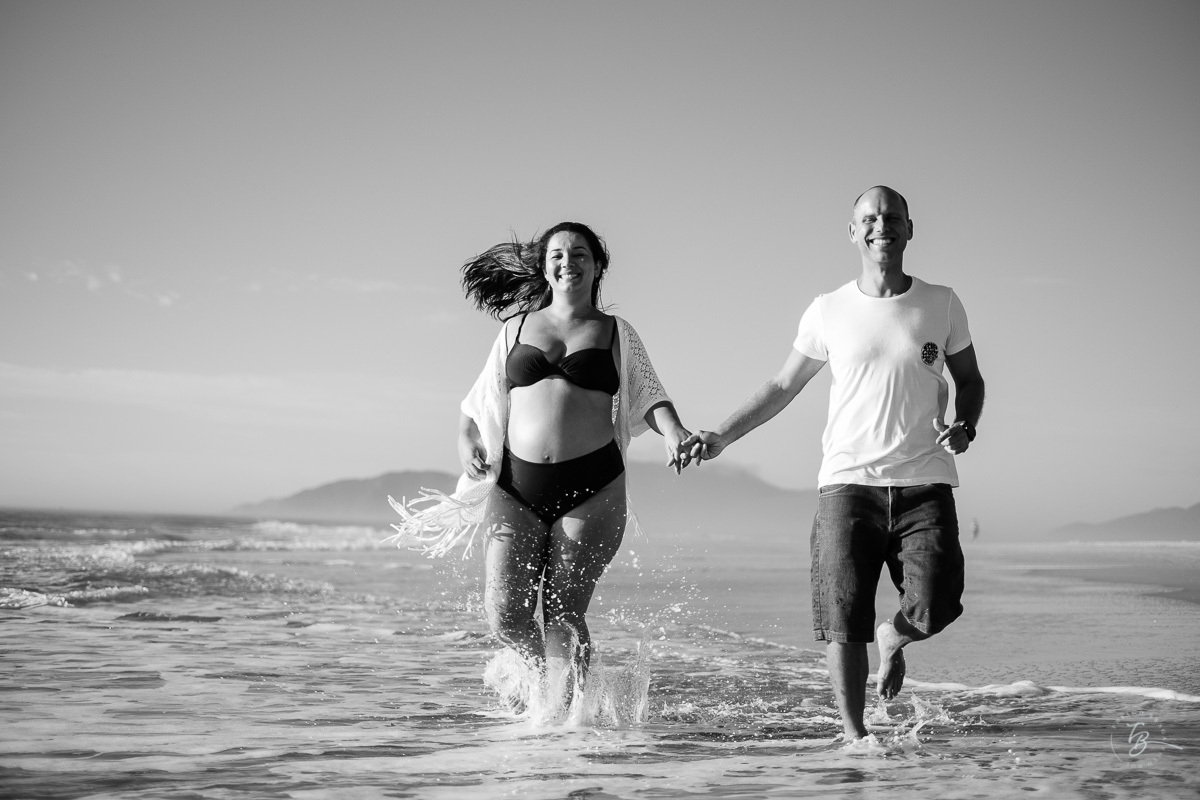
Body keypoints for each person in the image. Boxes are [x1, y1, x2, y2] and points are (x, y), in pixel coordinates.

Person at [681, 187, 985, 741]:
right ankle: (854, 738)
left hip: (925, 482)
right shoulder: (828, 309)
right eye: (868, 218)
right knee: (843, 619)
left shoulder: (942, 303)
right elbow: (782, 384)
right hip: (846, 486)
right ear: (853, 232)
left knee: (938, 602)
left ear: (910, 229)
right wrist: (722, 435)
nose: (880, 226)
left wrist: (966, 423)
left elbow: (971, 380)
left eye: (891, 217)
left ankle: (894, 636)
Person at [387, 221, 692, 707]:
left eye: (579, 254)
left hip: (594, 485)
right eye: (557, 254)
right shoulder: (516, 329)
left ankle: (563, 721)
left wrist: (675, 433)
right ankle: (548, 694)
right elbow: (478, 403)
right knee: (504, 615)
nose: (568, 262)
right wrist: (466, 442)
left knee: (564, 612)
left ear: (598, 266)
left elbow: (651, 396)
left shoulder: (617, 332)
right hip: (516, 487)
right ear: (544, 265)